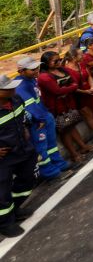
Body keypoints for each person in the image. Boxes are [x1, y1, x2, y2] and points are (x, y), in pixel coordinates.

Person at [13, 57, 73, 180]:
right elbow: (30, 106)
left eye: (36, 68)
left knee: (51, 144)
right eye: (32, 69)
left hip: (45, 116)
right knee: (41, 148)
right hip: (37, 121)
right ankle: (50, 173)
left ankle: (59, 164)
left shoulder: (31, 80)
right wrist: (40, 119)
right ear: (21, 71)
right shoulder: (20, 85)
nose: (36, 71)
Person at [37, 51, 93, 163]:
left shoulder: (61, 70)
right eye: (56, 61)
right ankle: (74, 154)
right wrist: (71, 87)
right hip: (56, 107)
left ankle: (83, 146)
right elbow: (57, 91)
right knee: (65, 130)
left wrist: (70, 87)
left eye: (59, 59)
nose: (59, 62)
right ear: (46, 63)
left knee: (71, 126)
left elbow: (73, 82)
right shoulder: (44, 77)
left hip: (68, 103)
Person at [0, 75, 37, 237]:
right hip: (4, 157)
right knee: (2, 192)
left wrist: (25, 128)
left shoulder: (15, 99)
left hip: (23, 148)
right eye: (7, 88)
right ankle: (5, 223)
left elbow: (22, 118)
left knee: (29, 178)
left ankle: (15, 208)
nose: (13, 89)